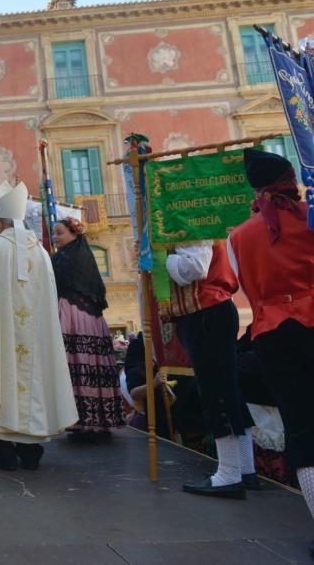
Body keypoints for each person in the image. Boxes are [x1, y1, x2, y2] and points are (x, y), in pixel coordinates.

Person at [228, 148, 314, 554]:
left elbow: (244, 284)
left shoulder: (238, 236)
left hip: (273, 335)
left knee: (300, 428)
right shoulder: (311, 217)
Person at [0, 180, 78, 471]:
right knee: (34, 384)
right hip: (35, 338)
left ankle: (2, 451)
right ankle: (30, 450)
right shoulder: (39, 251)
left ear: (0, 221)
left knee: (0, 379)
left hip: (1, 338)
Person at [163, 239, 255, 499]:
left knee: (217, 392)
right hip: (209, 311)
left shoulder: (190, 223)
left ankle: (229, 474)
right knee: (227, 389)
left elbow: (195, 267)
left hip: (206, 311)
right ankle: (244, 469)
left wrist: (158, 258)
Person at [50, 218, 124, 441]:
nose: (55, 237)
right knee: (91, 364)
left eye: (59, 233)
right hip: (91, 318)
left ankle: (82, 421)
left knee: (76, 362)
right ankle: (98, 421)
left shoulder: (64, 257)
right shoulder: (84, 256)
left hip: (73, 315)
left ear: (73, 235)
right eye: (54, 233)